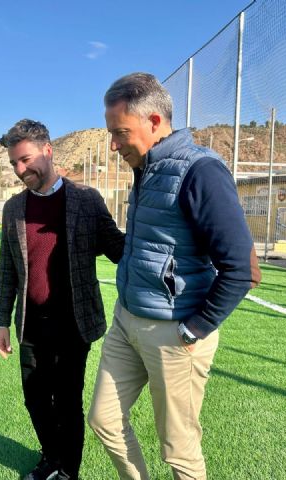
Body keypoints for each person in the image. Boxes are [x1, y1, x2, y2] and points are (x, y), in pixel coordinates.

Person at [88, 72, 261, 480]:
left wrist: (194, 329)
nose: (114, 145)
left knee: (178, 450)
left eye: (120, 132)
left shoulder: (201, 172)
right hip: (127, 321)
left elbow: (242, 270)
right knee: (104, 421)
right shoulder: (146, 168)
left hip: (175, 334)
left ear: (153, 122)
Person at [0, 119, 125, 480]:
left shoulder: (86, 200)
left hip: (74, 324)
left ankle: (68, 471)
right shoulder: (14, 209)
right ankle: (51, 458)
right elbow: (8, 268)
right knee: (35, 399)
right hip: (31, 324)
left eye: (26, 159)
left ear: (48, 150)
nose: (21, 170)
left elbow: (116, 247)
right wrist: (2, 321)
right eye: (14, 163)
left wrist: (154, 238)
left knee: (67, 403)